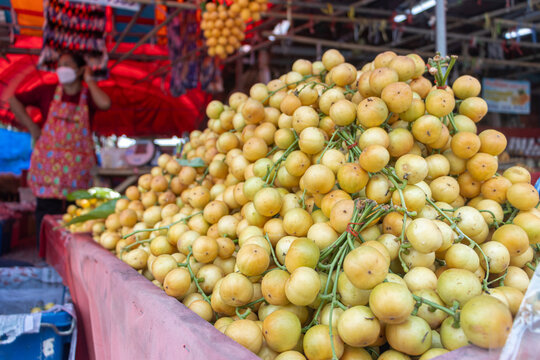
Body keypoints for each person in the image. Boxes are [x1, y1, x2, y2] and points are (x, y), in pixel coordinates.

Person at [9, 52, 111, 244]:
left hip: (77, 170)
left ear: (80, 69)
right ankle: (45, 252)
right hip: (49, 169)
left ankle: (73, 253)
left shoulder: (88, 95)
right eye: (60, 64)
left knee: (77, 213)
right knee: (47, 211)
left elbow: (106, 103)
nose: (61, 68)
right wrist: (32, 128)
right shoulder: (47, 91)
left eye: (67, 64)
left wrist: (89, 80)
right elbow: (13, 100)